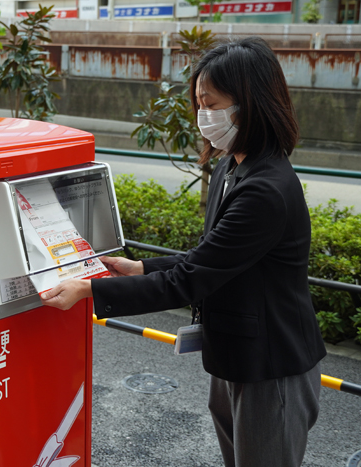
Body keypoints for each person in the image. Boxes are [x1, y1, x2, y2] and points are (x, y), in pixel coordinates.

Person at [40, 37, 327, 467]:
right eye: (199, 104)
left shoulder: (266, 189)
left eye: (211, 104)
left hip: (272, 366)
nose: (203, 116)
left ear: (251, 102)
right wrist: (139, 266)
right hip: (236, 353)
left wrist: (90, 291)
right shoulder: (234, 166)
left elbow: (192, 279)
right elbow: (210, 256)